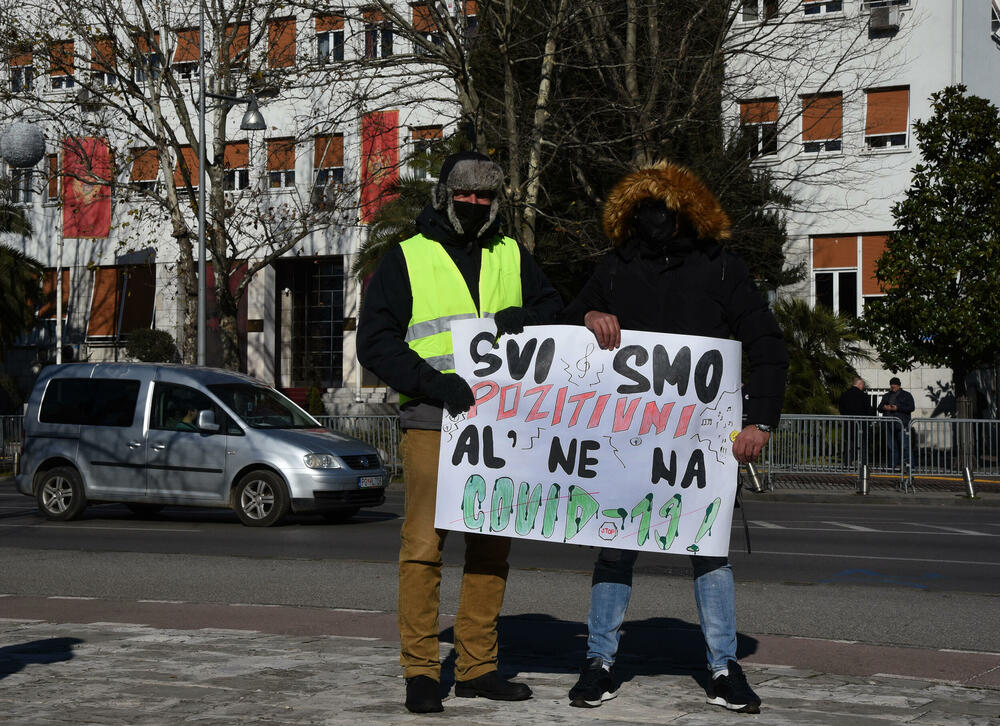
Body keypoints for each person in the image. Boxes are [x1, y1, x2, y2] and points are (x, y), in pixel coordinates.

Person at [561, 161, 788, 714]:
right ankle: (600, 661)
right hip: (626, 440)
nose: (655, 219)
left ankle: (721, 665)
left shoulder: (721, 267)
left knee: (708, 553)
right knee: (614, 549)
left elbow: (765, 343)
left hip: (702, 442)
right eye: (643, 210)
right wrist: (587, 314)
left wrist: (760, 421)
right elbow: (561, 334)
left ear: (687, 212)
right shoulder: (614, 268)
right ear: (630, 216)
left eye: (663, 209)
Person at [357, 151, 563, 714]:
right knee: (424, 547)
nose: (475, 204)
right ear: (445, 195)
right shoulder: (407, 258)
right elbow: (374, 343)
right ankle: (422, 671)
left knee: (492, 547)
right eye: (465, 194)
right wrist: (433, 384)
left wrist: (531, 319)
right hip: (431, 419)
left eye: (485, 197)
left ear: (496, 202)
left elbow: (553, 307)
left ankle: (476, 667)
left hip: (499, 425)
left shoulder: (511, 254)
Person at [878, 377, 915, 469]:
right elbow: (879, 407)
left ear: (899, 385)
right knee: (891, 447)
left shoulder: (906, 395)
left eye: (895, 384)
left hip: (902, 424)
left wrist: (897, 408)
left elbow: (911, 407)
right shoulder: (887, 395)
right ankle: (892, 467)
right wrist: (884, 407)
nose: (893, 386)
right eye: (891, 384)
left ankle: (910, 467)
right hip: (888, 424)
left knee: (905, 446)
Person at [838, 377, 874, 468]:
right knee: (863, 445)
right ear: (860, 384)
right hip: (862, 424)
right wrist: (869, 422)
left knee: (850, 444)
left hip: (849, 424)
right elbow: (869, 410)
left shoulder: (844, 394)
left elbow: (841, 409)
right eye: (863, 385)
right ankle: (864, 466)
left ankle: (847, 464)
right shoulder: (863, 395)